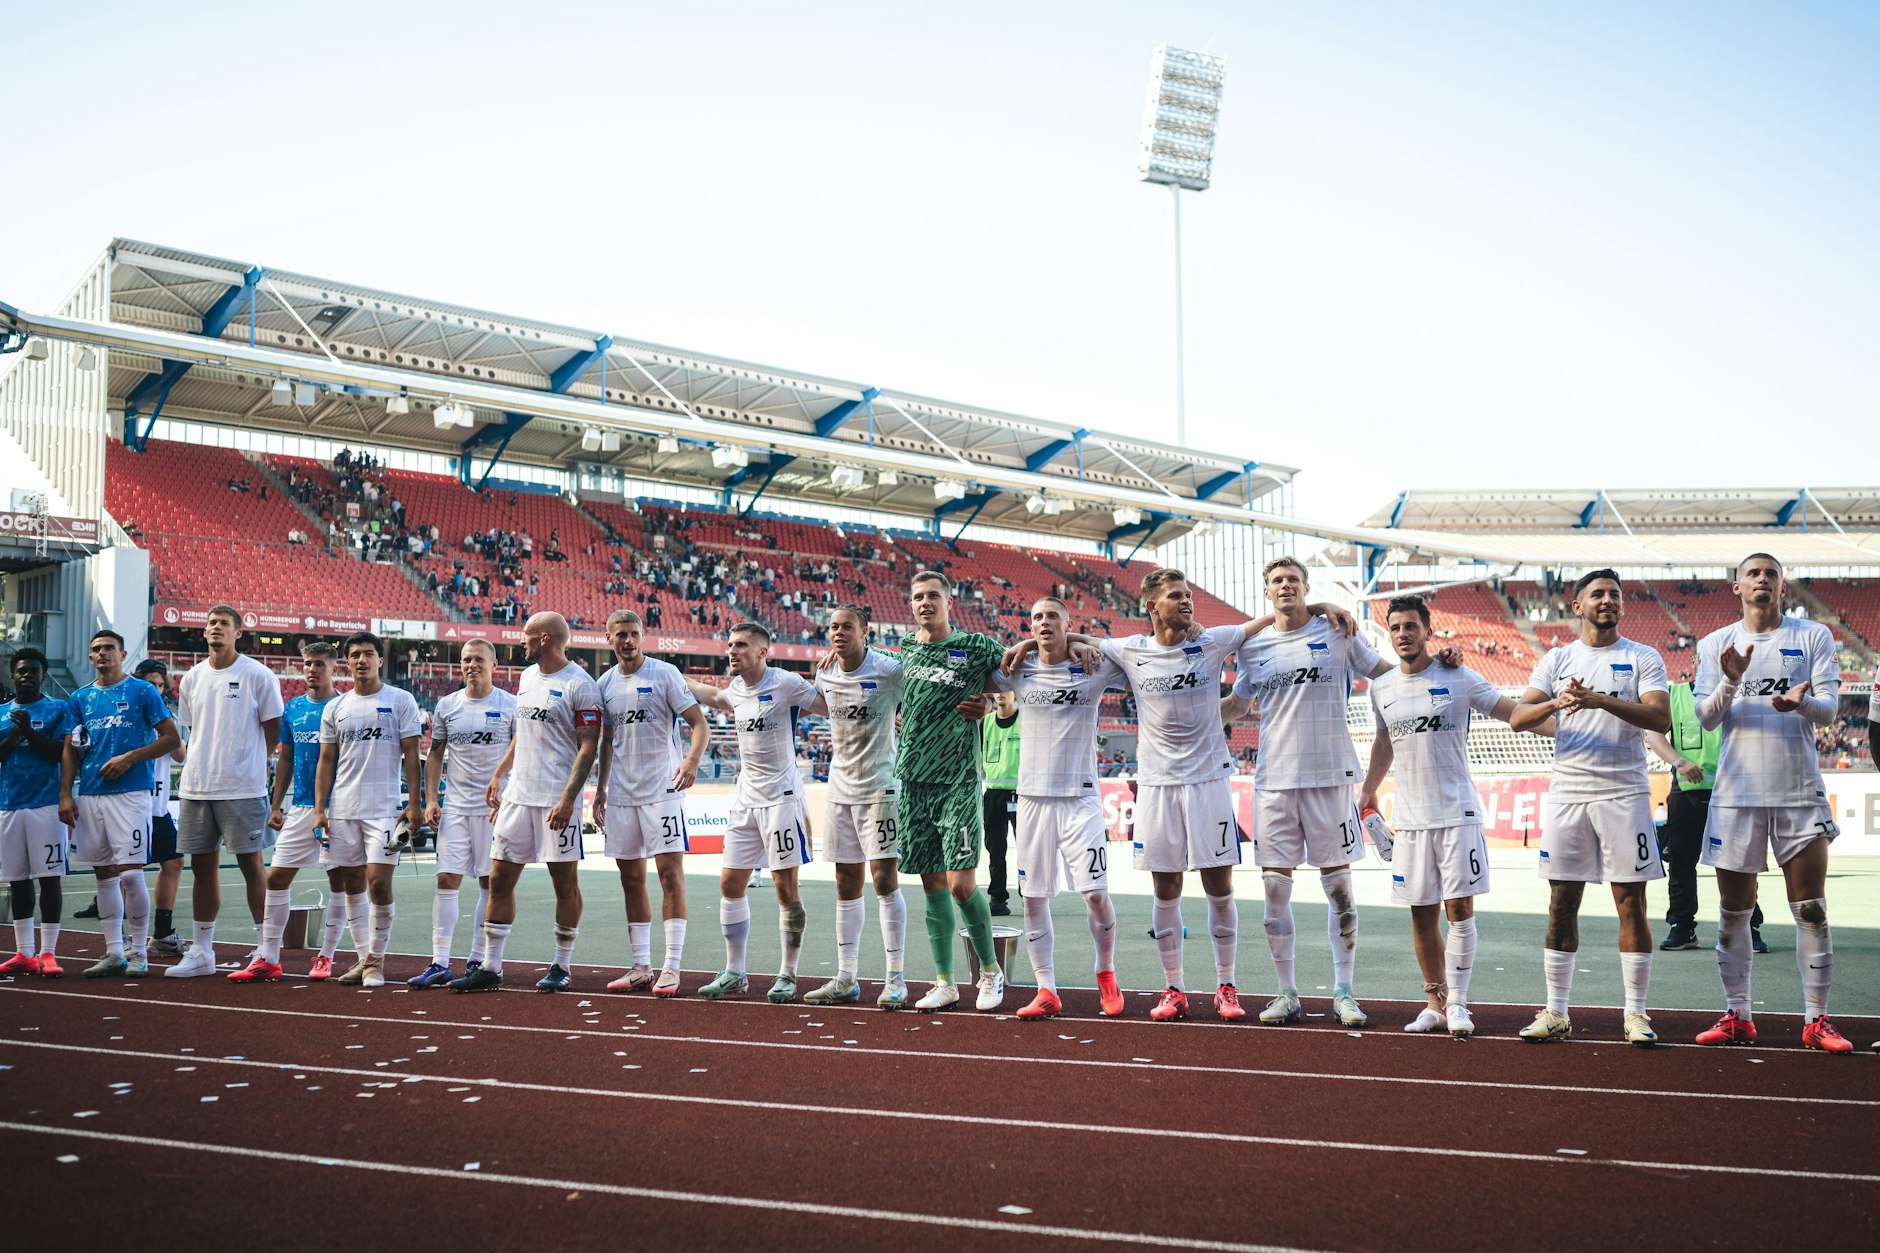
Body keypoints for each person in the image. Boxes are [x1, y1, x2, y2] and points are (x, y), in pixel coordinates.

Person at [1006, 568, 1344, 1022]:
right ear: (1152, 606)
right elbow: (1063, 638)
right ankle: (1175, 989)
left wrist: (1319, 607)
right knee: (1166, 890)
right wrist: (1033, 642)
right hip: (1158, 785)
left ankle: (1226, 985)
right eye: (1176, 596)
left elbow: (1272, 619)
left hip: (1208, 781)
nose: (1187, 602)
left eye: (1188, 595)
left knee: (1219, 887)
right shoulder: (1130, 650)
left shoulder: (1213, 640)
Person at [1220, 557, 1403, 1029]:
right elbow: (1237, 706)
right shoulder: (1254, 648)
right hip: (1274, 783)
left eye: (1293, 580)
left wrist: (1433, 666)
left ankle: (1344, 991)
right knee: (1274, 890)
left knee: (1339, 888)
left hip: (1331, 778)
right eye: (1277, 581)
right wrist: (1179, 710)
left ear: (1305, 588)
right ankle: (1286, 993)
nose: (1285, 586)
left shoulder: (1339, 632)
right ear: (1267, 592)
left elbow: (1387, 675)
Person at [1689, 554, 1850, 1052]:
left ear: (1783, 586)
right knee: (1734, 912)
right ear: (1737, 586)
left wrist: (1799, 701)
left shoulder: (1812, 636)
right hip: (1736, 795)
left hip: (1798, 790)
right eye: (1753, 573)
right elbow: (1706, 718)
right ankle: (1738, 1015)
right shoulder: (1716, 643)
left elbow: (1827, 711)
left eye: (1771, 573)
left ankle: (1816, 1021)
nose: (1762, 580)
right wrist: (1732, 679)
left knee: (1811, 910)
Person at [1359, 595, 1535, 1037]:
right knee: (1421, 913)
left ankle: (1459, 1003)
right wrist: (1367, 790)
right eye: (1396, 627)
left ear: (1427, 631)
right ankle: (1435, 1003)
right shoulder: (1381, 688)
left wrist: (1564, 722)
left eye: (1411, 626)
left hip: (1458, 813)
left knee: (1459, 910)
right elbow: (1383, 743)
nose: (1403, 634)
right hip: (1411, 822)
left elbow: (1511, 712)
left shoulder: (1457, 675)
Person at [1510, 569, 1670, 1046]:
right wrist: (1559, 702)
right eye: (1597, 594)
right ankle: (1556, 1011)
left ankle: (1636, 1014)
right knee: (1561, 904)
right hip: (1569, 794)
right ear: (1576, 606)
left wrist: (1599, 699)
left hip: (1624, 793)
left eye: (1614, 595)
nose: (1607, 601)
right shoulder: (1557, 659)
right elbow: (1520, 717)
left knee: (1631, 905)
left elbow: (1659, 715)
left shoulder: (1643, 656)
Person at [992, 597, 1128, 1020]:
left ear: (1069, 623)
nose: (1044, 622)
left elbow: (1130, 656)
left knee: (1095, 894)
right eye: (1037, 618)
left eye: (1053, 617)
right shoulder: (1015, 670)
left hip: (1080, 798)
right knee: (1033, 898)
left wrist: (1081, 641)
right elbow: (979, 669)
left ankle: (1105, 972)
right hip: (1031, 800)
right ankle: (1046, 988)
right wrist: (1026, 647)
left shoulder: (1092, 664)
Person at [451, 612, 602, 993]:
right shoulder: (527, 677)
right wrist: (501, 772)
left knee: (563, 883)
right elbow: (524, 733)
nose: (521, 640)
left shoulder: (580, 685)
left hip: (556, 799)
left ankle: (562, 965)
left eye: (527, 635)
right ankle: (490, 966)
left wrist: (570, 799)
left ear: (546, 639)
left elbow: (589, 745)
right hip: (518, 796)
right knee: (499, 878)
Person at [889, 571, 1006, 1013]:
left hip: (957, 779)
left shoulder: (977, 646)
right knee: (932, 885)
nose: (924, 603)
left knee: (961, 885)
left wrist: (991, 702)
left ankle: (990, 972)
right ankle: (944, 982)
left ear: (949, 601)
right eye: (917, 597)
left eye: (932, 596)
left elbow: (1015, 675)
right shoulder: (906, 646)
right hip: (913, 779)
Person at [687, 622, 821, 1003]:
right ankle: (735, 972)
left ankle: (788, 974)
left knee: (785, 888)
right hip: (746, 798)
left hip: (782, 797)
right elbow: (713, 697)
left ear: (763, 651)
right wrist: (672, 676)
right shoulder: (736, 690)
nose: (732, 651)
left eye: (741, 645)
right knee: (730, 884)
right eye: (730, 645)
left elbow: (826, 706)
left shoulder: (786, 682)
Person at [592, 611, 707, 996]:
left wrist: (690, 760)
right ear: (609, 639)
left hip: (663, 790)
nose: (628, 640)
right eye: (621, 635)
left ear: (643, 635)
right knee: (631, 880)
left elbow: (699, 723)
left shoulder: (665, 674)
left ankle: (671, 967)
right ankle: (641, 966)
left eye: (634, 634)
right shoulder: (604, 683)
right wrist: (602, 789)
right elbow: (607, 741)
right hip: (623, 794)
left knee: (670, 876)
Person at [166, 605, 284, 977]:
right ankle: (202, 952)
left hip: (242, 786)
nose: (216, 628)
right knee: (202, 867)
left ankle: (267, 951)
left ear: (238, 634)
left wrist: (249, 763)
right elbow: (192, 729)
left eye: (224, 624)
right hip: (197, 784)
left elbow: (273, 729)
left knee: (252, 865)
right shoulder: (191, 679)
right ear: (204, 633)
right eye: (211, 623)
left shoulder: (257, 674)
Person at [804, 604, 910, 1008]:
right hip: (839, 791)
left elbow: (917, 697)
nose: (838, 632)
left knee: (884, 881)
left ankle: (895, 978)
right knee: (846, 885)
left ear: (865, 631)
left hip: (881, 788)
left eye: (847, 626)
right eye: (833, 626)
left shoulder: (889, 670)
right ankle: (846, 977)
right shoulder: (825, 672)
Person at [59, 631, 182, 978]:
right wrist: (66, 794)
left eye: (109, 648)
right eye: (96, 648)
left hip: (131, 794)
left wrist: (130, 758)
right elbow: (70, 749)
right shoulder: (80, 698)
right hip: (93, 793)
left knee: (129, 873)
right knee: (103, 876)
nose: (102, 653)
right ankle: (114, 951)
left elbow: (171, 739)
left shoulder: (142, 691)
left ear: (122, 653)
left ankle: (139, 951)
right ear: (90, 656)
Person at [304, 633, 424, 988]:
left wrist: (414, 803)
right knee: (352, 883)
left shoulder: (400, 700)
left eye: (368, 654)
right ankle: (363, 959)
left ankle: (376, 962)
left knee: (378, 883)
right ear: (347, 661)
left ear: (379, 660)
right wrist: (319, 809)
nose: (361, 660)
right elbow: (326, 761)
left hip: (385, 811)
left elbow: (411, 756)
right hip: (342, 810)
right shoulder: (335, 708)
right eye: (355, 655)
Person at [232, 641, 350, 981]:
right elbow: (285, 757)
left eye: (320, 664)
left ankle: (326, 955)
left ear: (334, 668)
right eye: (308, 664)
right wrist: (275, 803)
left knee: (338, 880)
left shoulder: (343, 706)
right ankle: (268, 957)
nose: (312, 669)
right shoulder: (294, 708)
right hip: (299, 807)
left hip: (337, 807)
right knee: (277, 877)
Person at [408, 639, 517, 988]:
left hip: (493, 810)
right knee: (446, 880)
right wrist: (431, 799)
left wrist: (505, 785)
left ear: (494, 665)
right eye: (466, 659)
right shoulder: (447, 705)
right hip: (454, 806)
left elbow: (521, 750)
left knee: (490, 883)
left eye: (479, 659)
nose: (472, 665)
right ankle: (440, 961)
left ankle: (476, 957)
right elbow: (436, 753)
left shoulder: (510, 705)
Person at [1646, 684, 1766, 953]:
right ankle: (1682, 927)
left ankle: (1748, 926)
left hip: (1733, 792)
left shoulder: (1739, 692)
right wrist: (1680, 762)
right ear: (1695, 661)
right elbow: (1653, 736)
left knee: (1740, 863)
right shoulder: (1673, 695)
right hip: (1687, 793)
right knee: (1681, 863)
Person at [0, 649, 74, 976]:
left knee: (49, 878)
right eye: (21, 671)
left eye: (33, 671)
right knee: (17, 880)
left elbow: (61, 754)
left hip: (46, 803)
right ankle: (24, 952)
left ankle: (48, 952)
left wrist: (29, 732)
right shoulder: (2, 713)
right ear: (12, 675)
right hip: (8, 805)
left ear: (43, 675)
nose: (27, 675)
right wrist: (16, 734)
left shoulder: (58, 709)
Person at [130, 660, 188, 957]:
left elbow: (180, 755)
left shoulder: (164, 718)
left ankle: (162, 933)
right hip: (130, 803)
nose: (156, 690)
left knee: (174, 862)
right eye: (150, 684)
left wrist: (168, 720)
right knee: (128, 869)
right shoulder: (130, 714)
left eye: (160, 685)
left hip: (158, 806)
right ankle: (126, 937)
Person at [979, 692, 1020, 916]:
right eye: (997, 689)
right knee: (995, 848)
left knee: (1027, 849)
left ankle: (1030, 894)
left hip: (1022, 794)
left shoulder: (1026, 722)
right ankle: (997, 898)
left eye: (1006, 689)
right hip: (993, 794)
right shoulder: (985, 723)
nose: (1001, 693)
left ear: (1015, 693)